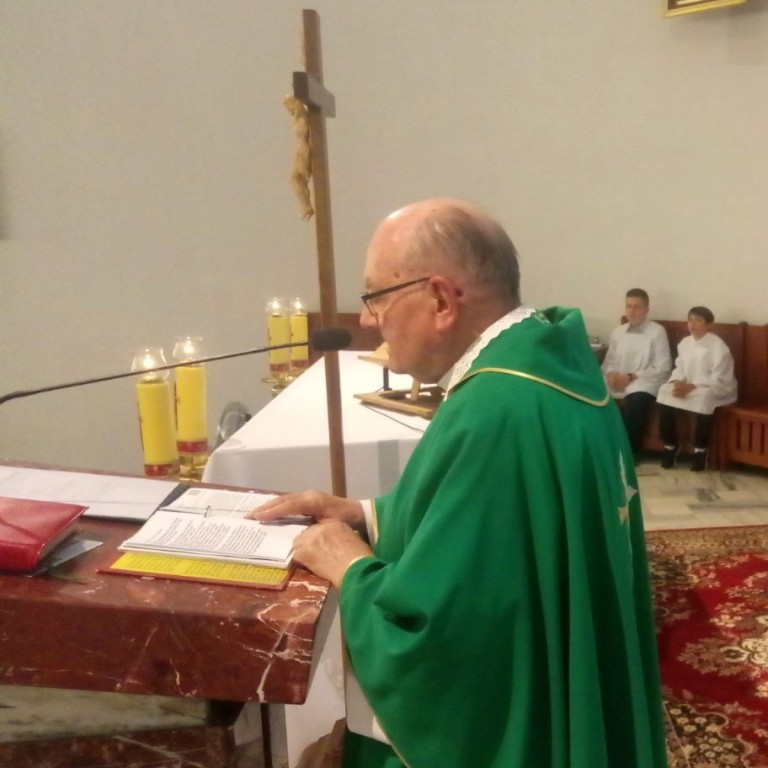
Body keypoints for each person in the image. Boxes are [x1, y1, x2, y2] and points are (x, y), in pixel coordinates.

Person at [250, 199, 667, 768]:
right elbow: (494, 528)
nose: (368, 319)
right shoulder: (546, 365)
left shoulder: (496, 408)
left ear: (442, 300)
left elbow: (449, 638)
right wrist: (365, 514)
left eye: (376, 296)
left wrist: (351, 567)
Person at [656, 306, 737, 472]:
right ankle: (670, 445)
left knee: (704, 397)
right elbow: (679, 368)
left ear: (709, 325)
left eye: (698, 320)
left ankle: (700, 450)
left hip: (713, 388)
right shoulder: (685, 343)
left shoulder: (718, 346)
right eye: (690, 320)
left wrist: (692, 386)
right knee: (664, 391)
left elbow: (720, 377)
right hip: (687, 387)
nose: (693, 324)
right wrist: (677, 382)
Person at [601, 289, 672, 455]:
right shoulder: (618, 332)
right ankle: (605, 447)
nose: (631, 311)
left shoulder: (657, 331)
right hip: (619, 378)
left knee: (637, 399)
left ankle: (629, 452)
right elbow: (609, 361)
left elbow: (663, 367)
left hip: (645, 381)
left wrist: (631, 376)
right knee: (595, 393)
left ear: (647, 310)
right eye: (628, 306)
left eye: (637, 307)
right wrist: (611, 375)